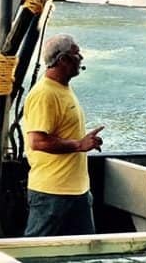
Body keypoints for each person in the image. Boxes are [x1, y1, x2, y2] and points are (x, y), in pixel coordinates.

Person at [23, 33, 104, 237]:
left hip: (77, 191)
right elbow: (37, 141)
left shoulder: (63, 89)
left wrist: (86, 142)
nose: (82, 58)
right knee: (38, 253)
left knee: (83, 253)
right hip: (52, 193)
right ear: (63, 60)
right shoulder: (44, 94)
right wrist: (78, 145)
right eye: (77, 54)